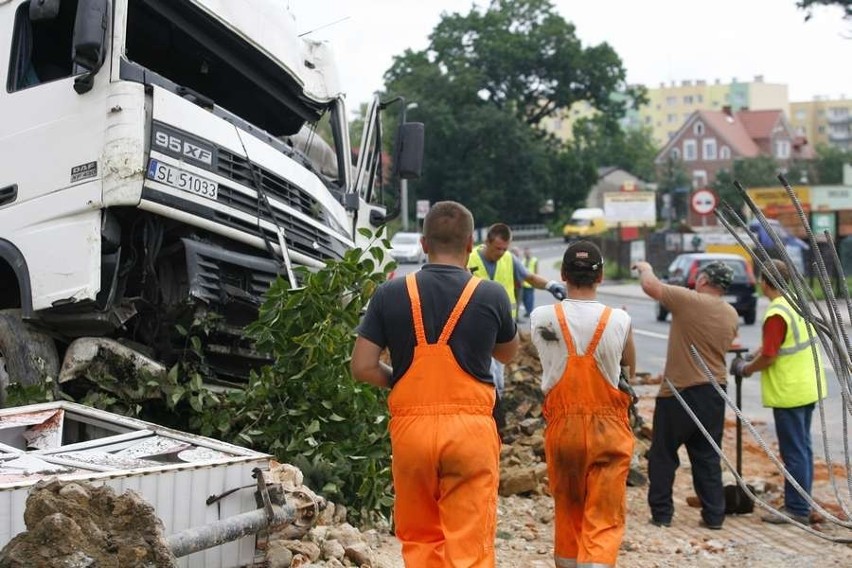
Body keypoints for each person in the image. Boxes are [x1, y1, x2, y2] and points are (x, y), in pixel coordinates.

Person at [350, 201, 519, 567]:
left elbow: (362, 367)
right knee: (470, 543)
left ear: (424, 244)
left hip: (412, 433)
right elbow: (508, 354)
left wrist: (405, 382)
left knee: (422, 540)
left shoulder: (389, 293)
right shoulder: (490, 294)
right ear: (471, 242)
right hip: (470, 433)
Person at [531, 241, 635, 567]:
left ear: (562, 275)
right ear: (600, 276)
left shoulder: (542, 317)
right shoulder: (618, 319)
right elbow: (628, 364)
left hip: (562, 429)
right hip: (608, 430)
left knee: (568, 509)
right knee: (603, 517)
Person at [633, 260, 739, 530]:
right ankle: (714, 515)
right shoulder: (731, 313)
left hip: (679, 393)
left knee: (664, 455)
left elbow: (650, 286)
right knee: (706, 456)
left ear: (703, 280)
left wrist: (645, 266)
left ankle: (662, 514)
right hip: (714, 393)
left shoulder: (689, 300)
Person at [730, 259, 827, 525]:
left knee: (794, 452)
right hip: (807, 386)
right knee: (803, 449)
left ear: (765, 283)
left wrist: (747, 368)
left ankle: (797, 509)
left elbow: (771, 355)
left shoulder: (776, 313)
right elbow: (778, 345)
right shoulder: (797, 303)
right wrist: (755, 353)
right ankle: (802, 502)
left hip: (789, 391)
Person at [468, 223, 566, 396]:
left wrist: (551, 285)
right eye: (498, 248)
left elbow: (530, 277)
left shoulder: (508, 258)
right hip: (476, 326)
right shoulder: (469, 258)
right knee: (487, 372)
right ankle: (492, 405)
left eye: (505, 249)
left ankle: (496, 405)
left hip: (503, 327)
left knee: (497, 372)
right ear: (487, 242)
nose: (501, 253)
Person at [521, 247, 539, 318]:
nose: (526, 254)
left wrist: (536, 281)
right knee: (524, 299)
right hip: (524, 283)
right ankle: (527, 311)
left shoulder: (534, 260)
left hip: (531, 283)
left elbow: (536, 271)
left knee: (530, 299)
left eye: (527, 252)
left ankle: (530, 312)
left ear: (530, 253)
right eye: (525, 253)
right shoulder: (523, 261)